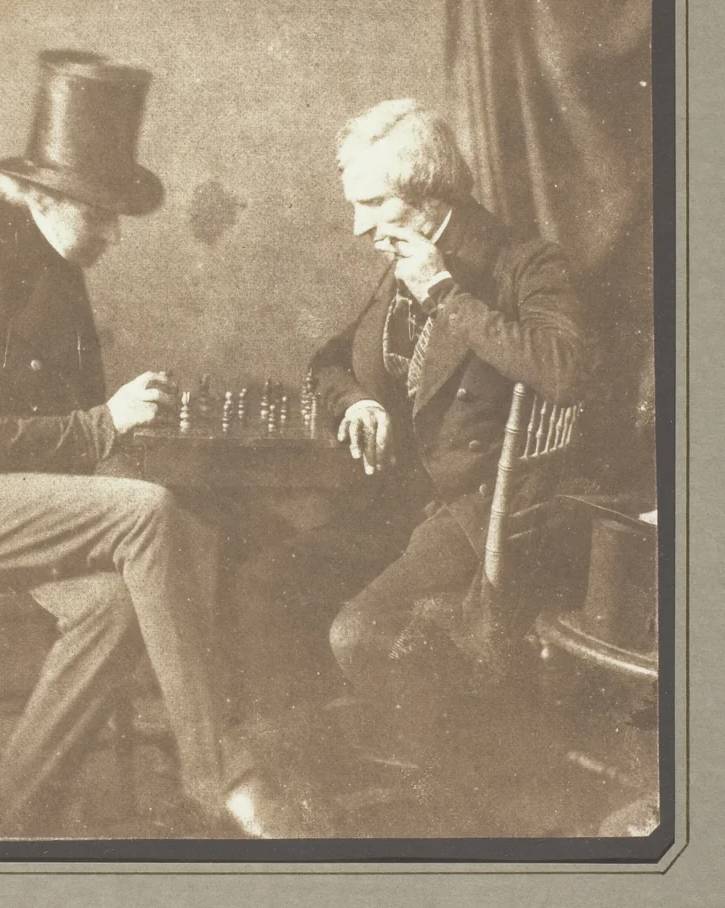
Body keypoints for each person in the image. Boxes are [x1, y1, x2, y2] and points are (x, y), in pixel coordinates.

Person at [0, 49, 309, 838]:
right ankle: (222, 775)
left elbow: (80, 438)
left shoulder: (60, 275)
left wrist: (142, 448)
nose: (113, 232)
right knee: (145, 515)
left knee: (116, 603)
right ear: (37, 194)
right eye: (96, 211)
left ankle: (4, 823)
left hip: (20, 510)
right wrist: (109, 424)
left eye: (115, 214)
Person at [235, 98, 585, 740]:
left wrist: (446, 292)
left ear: (426, 193)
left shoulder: (524, 262)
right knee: (262, 588)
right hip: (400, 505)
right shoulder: (404, 257)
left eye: (369, 203)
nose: (356, 225)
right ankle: (309, 778)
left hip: (478, 520)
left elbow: (563, 369)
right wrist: (359, 402)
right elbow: (328, 360)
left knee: (362, 632)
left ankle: (438, 795)